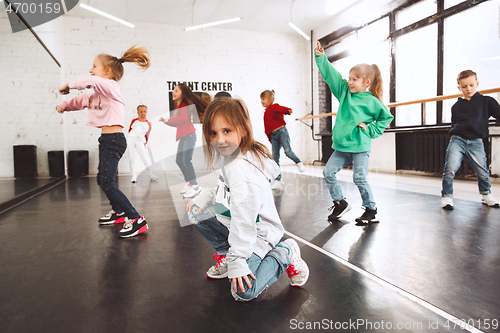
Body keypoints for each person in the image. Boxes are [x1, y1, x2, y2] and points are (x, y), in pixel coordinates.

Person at [185, 97, 309, 301]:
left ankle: (286, 252)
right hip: (237, 223)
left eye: (227, 131)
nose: (220, 139)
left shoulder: (243, 173)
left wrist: (238, 262)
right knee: (195, 212)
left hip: (259, 234)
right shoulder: (232, 156)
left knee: (243, 291)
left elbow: (244, 223)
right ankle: (226, 253)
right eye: (213, 133)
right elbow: (224, 188)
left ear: (242, 130)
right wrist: (206, 195)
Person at [56, 44, 150, 237]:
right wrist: (65, 105)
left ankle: (137, 219)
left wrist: (68, 85)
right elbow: (80, 101)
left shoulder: (111, 87)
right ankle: (119, 212)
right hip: (107, 140)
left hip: (114, 139)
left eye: (94, 66)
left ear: (108, 71)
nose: (91, 70)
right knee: (102, 179)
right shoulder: (97, 95)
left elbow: (88, 81)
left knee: (106, 182)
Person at [315, 41, 393, 224]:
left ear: (366, 82)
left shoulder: (372, 101)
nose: (350, 82)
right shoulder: (344, 92)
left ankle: (371, 209)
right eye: (349, 78)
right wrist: (321, 57)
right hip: (342, 147)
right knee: (328, 172)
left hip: (360, 146)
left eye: (354, 79)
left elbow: (386, 117)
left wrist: (371, 129)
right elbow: (330, 74)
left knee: (359, 177)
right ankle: (340, 202)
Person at [441, 70, 500, 209]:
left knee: (482, 171)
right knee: (449, 169)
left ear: (477, 84)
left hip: (476, 141)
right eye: (464, 86)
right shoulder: (456, 106)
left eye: (471, 85)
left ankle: (486, 195)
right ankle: (447, 197)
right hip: (458, 139)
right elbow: (454, 123)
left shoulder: (487, 101)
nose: (468, 89)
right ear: (459, 88)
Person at [159, 83, 208, 199]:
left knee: (185, 160)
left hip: (189, 136)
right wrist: (166, 121)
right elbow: (178, 122)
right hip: (185, 136)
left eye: (176, 91)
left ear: (183, 93)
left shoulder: (184, 105)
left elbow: (183, 119)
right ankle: (189, 182)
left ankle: (194, 185)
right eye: (173, 90)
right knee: (179, 160)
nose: (173, 93)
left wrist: (167, 119)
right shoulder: (179, 106)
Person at [261, 89, 305, 190]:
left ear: (270, 99)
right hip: (274, 136)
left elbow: (282, 109)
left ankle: (298, 162)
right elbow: (267, 128)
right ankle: (278, 179)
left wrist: (288, 111)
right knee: (275, 158)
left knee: (288, 152)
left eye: (263, 99)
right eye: (261, 99)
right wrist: (270, 138)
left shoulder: (274, 107)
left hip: (282, 132)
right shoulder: (265, 113)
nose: (261, 101)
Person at [128, 104, 158, 183]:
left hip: (140, 142)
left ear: (146, 112)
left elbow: (147, 134)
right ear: (138, 112)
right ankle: (133, 176)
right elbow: (130, 130)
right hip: (131, 140)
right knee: (132, 158)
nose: (143, 113)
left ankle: (151, 175)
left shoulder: (148, 124)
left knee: (145, 158)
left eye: (144, 111)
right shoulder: (134, 121)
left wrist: (145, 143)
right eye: (141, 112)